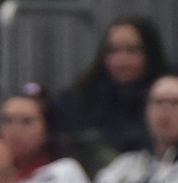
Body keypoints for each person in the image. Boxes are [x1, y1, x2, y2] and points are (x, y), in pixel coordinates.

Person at [59, 16, 166, 168]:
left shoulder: (166, 95)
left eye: (132, 50)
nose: (121, 60)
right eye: (113, 50)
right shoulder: (80, 97)